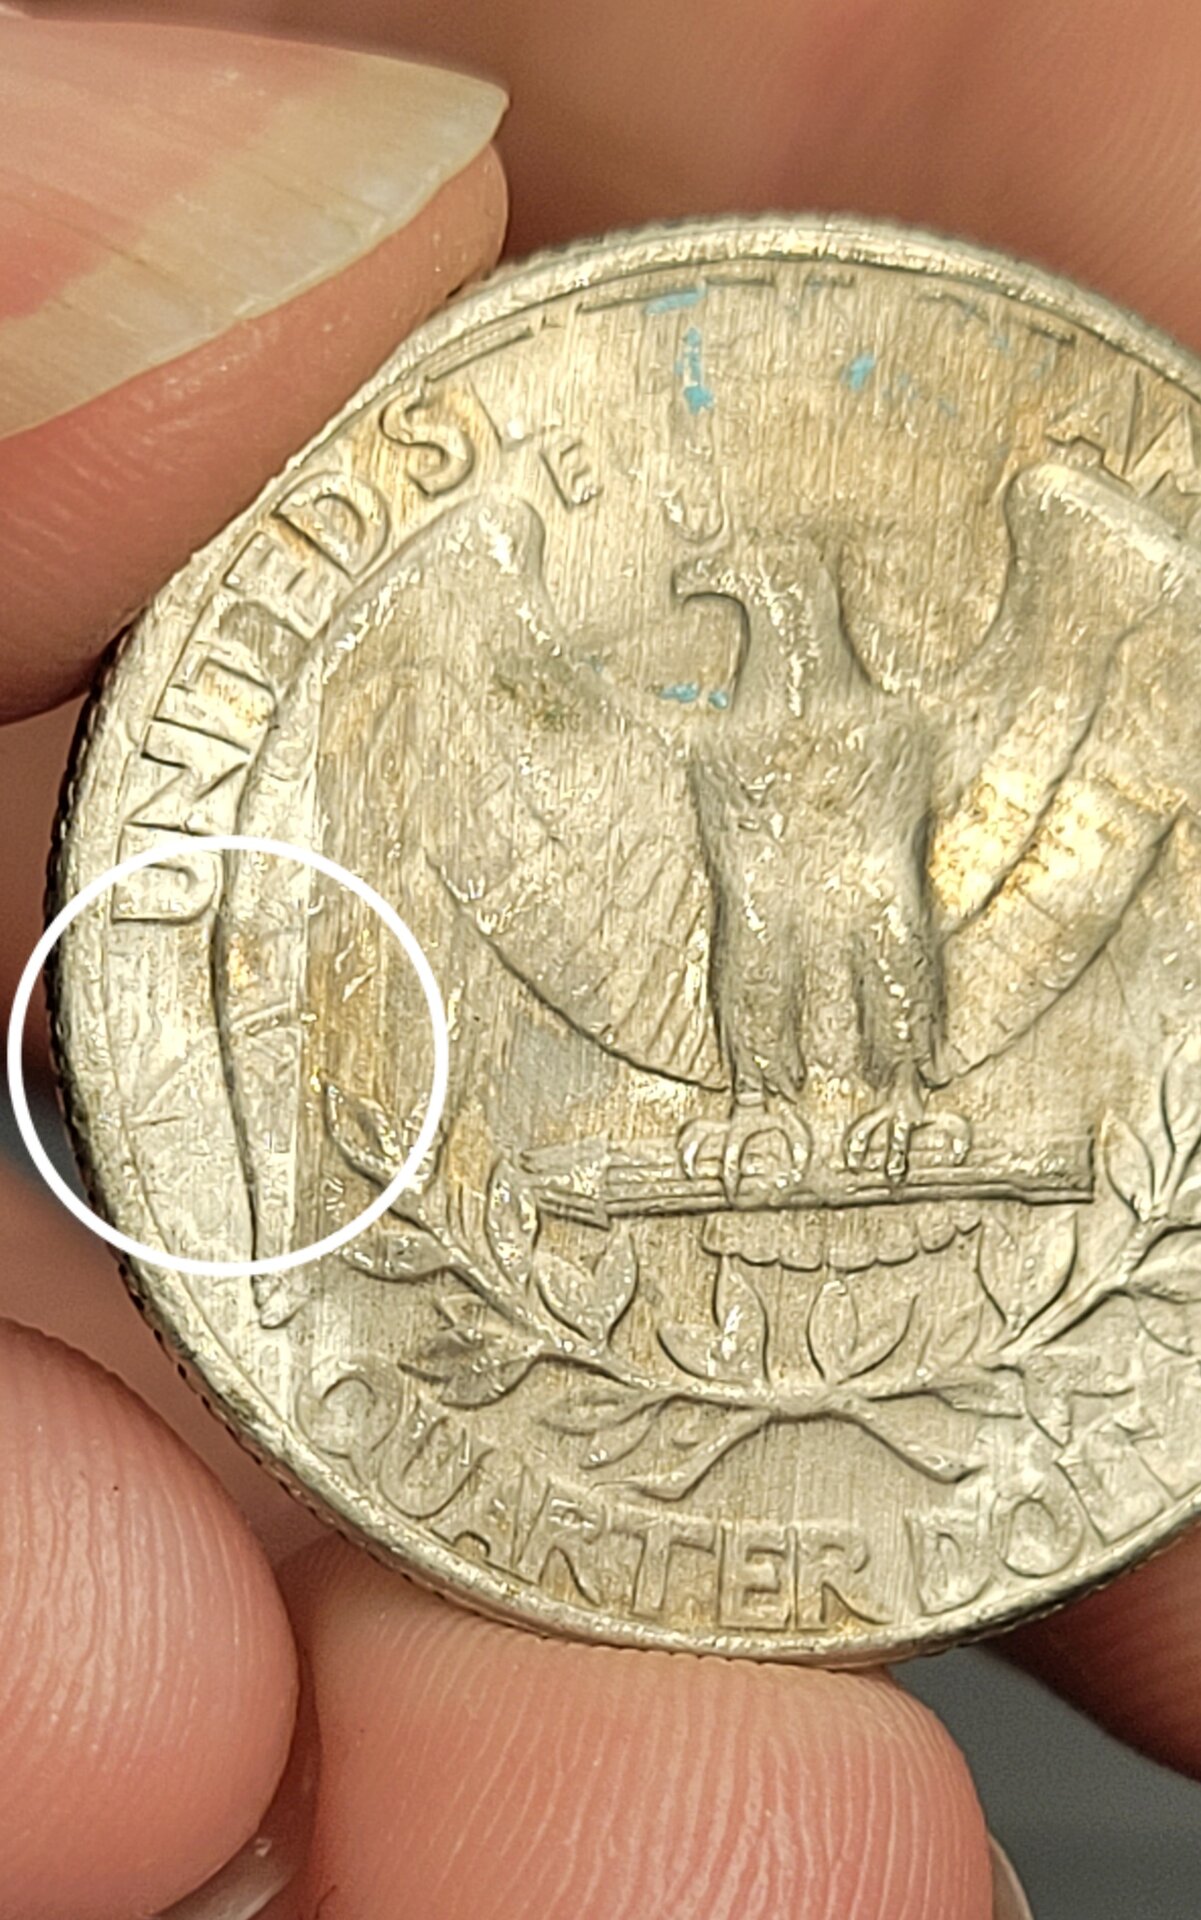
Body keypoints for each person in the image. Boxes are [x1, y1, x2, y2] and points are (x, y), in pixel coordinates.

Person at [2, 6, 1200, 1916]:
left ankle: (853, 1118)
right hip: (733, 1057)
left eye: (760, 587)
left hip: (895, 1042)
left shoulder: (967, 687)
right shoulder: (669, 744)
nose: (739, 594)